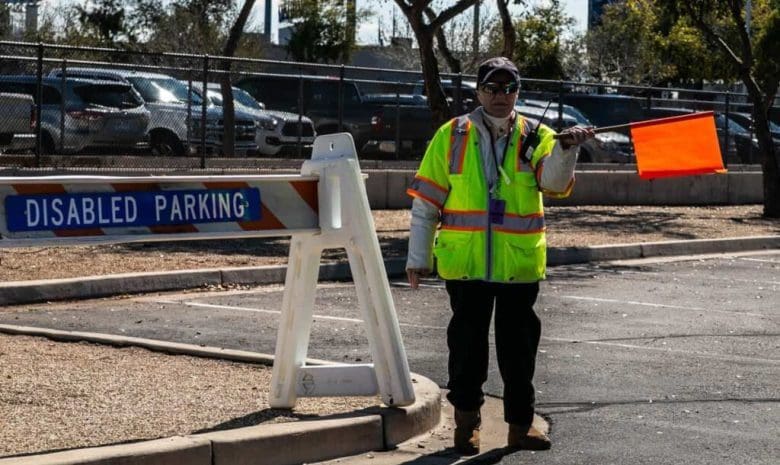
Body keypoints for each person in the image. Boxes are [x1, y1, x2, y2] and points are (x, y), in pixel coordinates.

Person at [405, 57, 594, 455]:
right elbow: (426, 203)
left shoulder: (539, 134)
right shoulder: (452, 134)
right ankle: (466, 425)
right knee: (466, 349)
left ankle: (520, 427)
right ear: (478, 92)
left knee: (519, 352)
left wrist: (565, 149)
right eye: (492, 88)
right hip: (466, 264)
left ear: (518, 92)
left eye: (509, 89)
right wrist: (417, 257)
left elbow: (554, 184)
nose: (501, 96)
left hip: (518, 264)